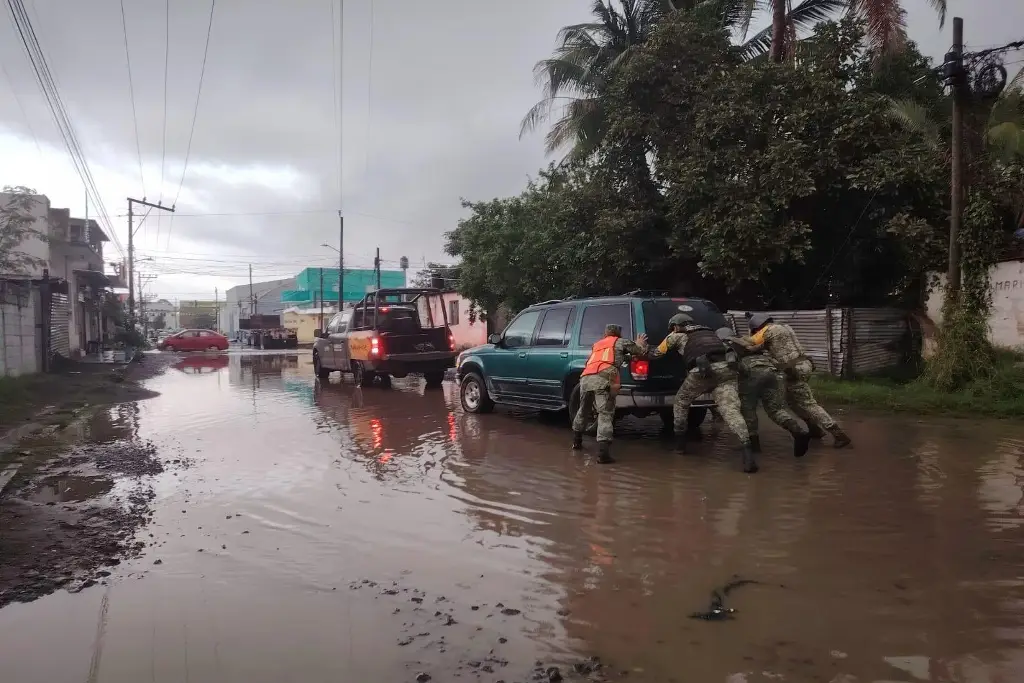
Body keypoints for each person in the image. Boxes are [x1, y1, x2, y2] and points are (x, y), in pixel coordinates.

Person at [649, 314, 758, 474]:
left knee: (681, 402)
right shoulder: (710, 333)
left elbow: (654, 354)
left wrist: (641, 346)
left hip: (703, 372)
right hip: (727, 370)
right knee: (731, 411)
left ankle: (680, 446)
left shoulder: (677, 335)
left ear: (676, 326)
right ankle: (748, 453)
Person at [745, 312, 851, 448]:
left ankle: (839, 434)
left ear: (758, 327)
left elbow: (749, 345)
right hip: (803, 365)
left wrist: (734, 338)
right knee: (792, 401)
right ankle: (814, 429)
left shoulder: (767, 331)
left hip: (794, 370)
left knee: (807, 403)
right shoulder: (784, 327)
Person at [717, 327, 811, 458]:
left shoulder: (727, 343)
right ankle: (797, 431)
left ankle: (754, 445)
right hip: (772, 371)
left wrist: (739, 373)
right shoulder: (746, 341)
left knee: (748, 409)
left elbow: (731, 361)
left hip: (751, 373)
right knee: (775, 409)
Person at [571, 324, 649, 464]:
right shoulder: (620, 342)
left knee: (583, 410)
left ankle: (576, 442)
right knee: (605, 414)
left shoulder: (598, 344)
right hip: (603, 378)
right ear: (618, 333)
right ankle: (603, 454)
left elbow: (614, 357)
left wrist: (627, 357)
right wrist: (640, 343)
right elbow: (640, 352)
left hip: (586, 378)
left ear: (605, 333)